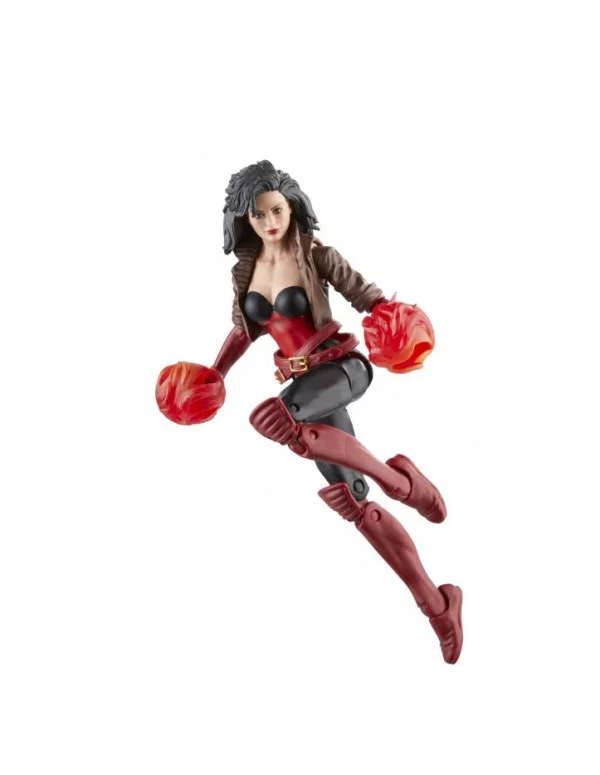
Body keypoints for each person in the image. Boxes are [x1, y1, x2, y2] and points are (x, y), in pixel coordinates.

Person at [159, 160, 463, 664]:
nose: (269, 221)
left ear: (292, 206)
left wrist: (398, 328)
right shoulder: (245, 271)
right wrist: (216, 373)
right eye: (258, 215)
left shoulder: (316, 254)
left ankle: (398, 482)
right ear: (244, 219)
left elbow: (366, 296)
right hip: (304, 387)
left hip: (341, 369)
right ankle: (437, 604)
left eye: (276, 210)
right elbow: (245, 330)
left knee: (284, 418)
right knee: (354, 503)